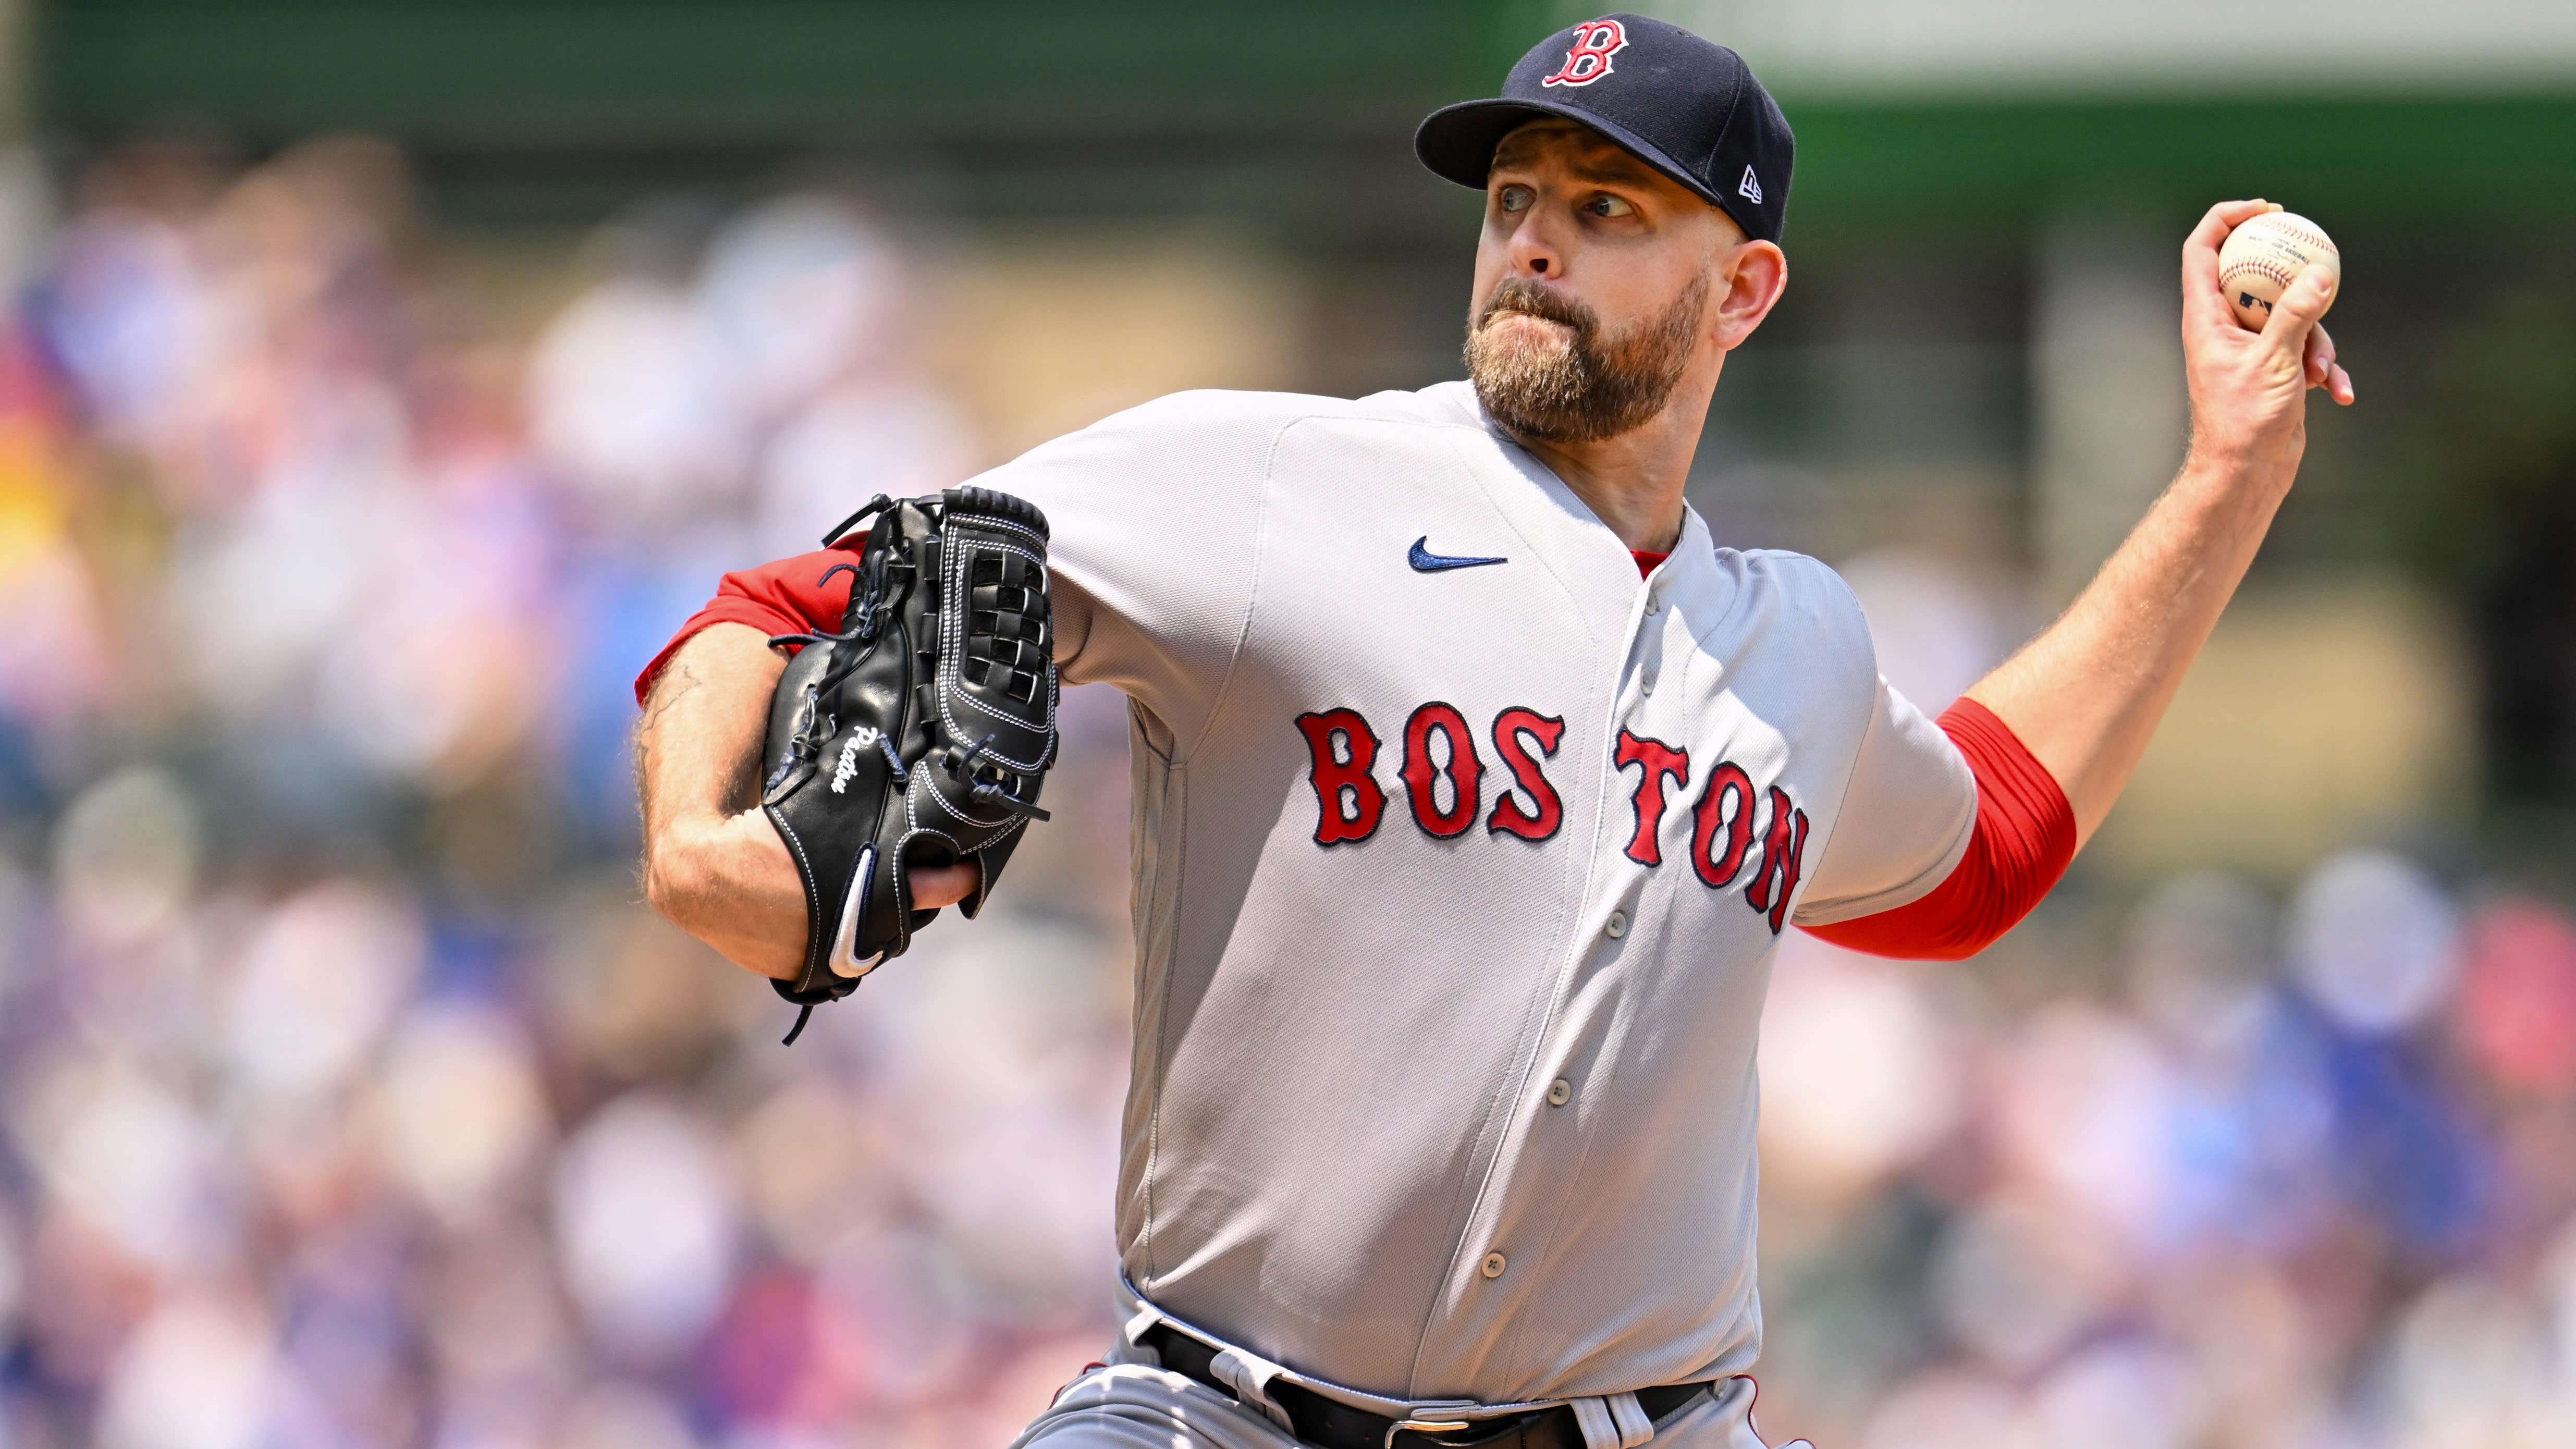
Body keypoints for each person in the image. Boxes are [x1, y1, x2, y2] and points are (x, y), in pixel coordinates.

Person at [631, 15, 2352, 1449]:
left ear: (1743, 290)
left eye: (1610, 209)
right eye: (1517, 196)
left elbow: (1975, 855)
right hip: (1224, 1411)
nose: (1537, 237)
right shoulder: (1273, 483)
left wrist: (2227, 476)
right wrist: (699, 838)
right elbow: (779, 604)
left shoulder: (1797, 640)